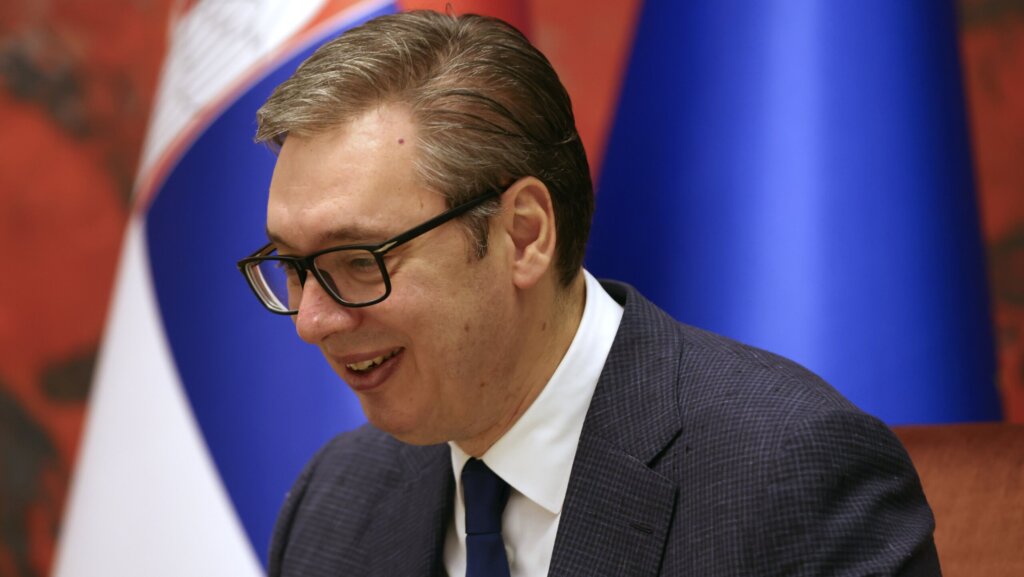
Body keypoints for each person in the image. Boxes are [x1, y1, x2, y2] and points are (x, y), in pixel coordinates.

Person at [237, 9, 941, 577]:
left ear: (523, 234)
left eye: (358, 261)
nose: (311, 321)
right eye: (293, 265)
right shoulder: (336, 501)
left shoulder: (788, 477)